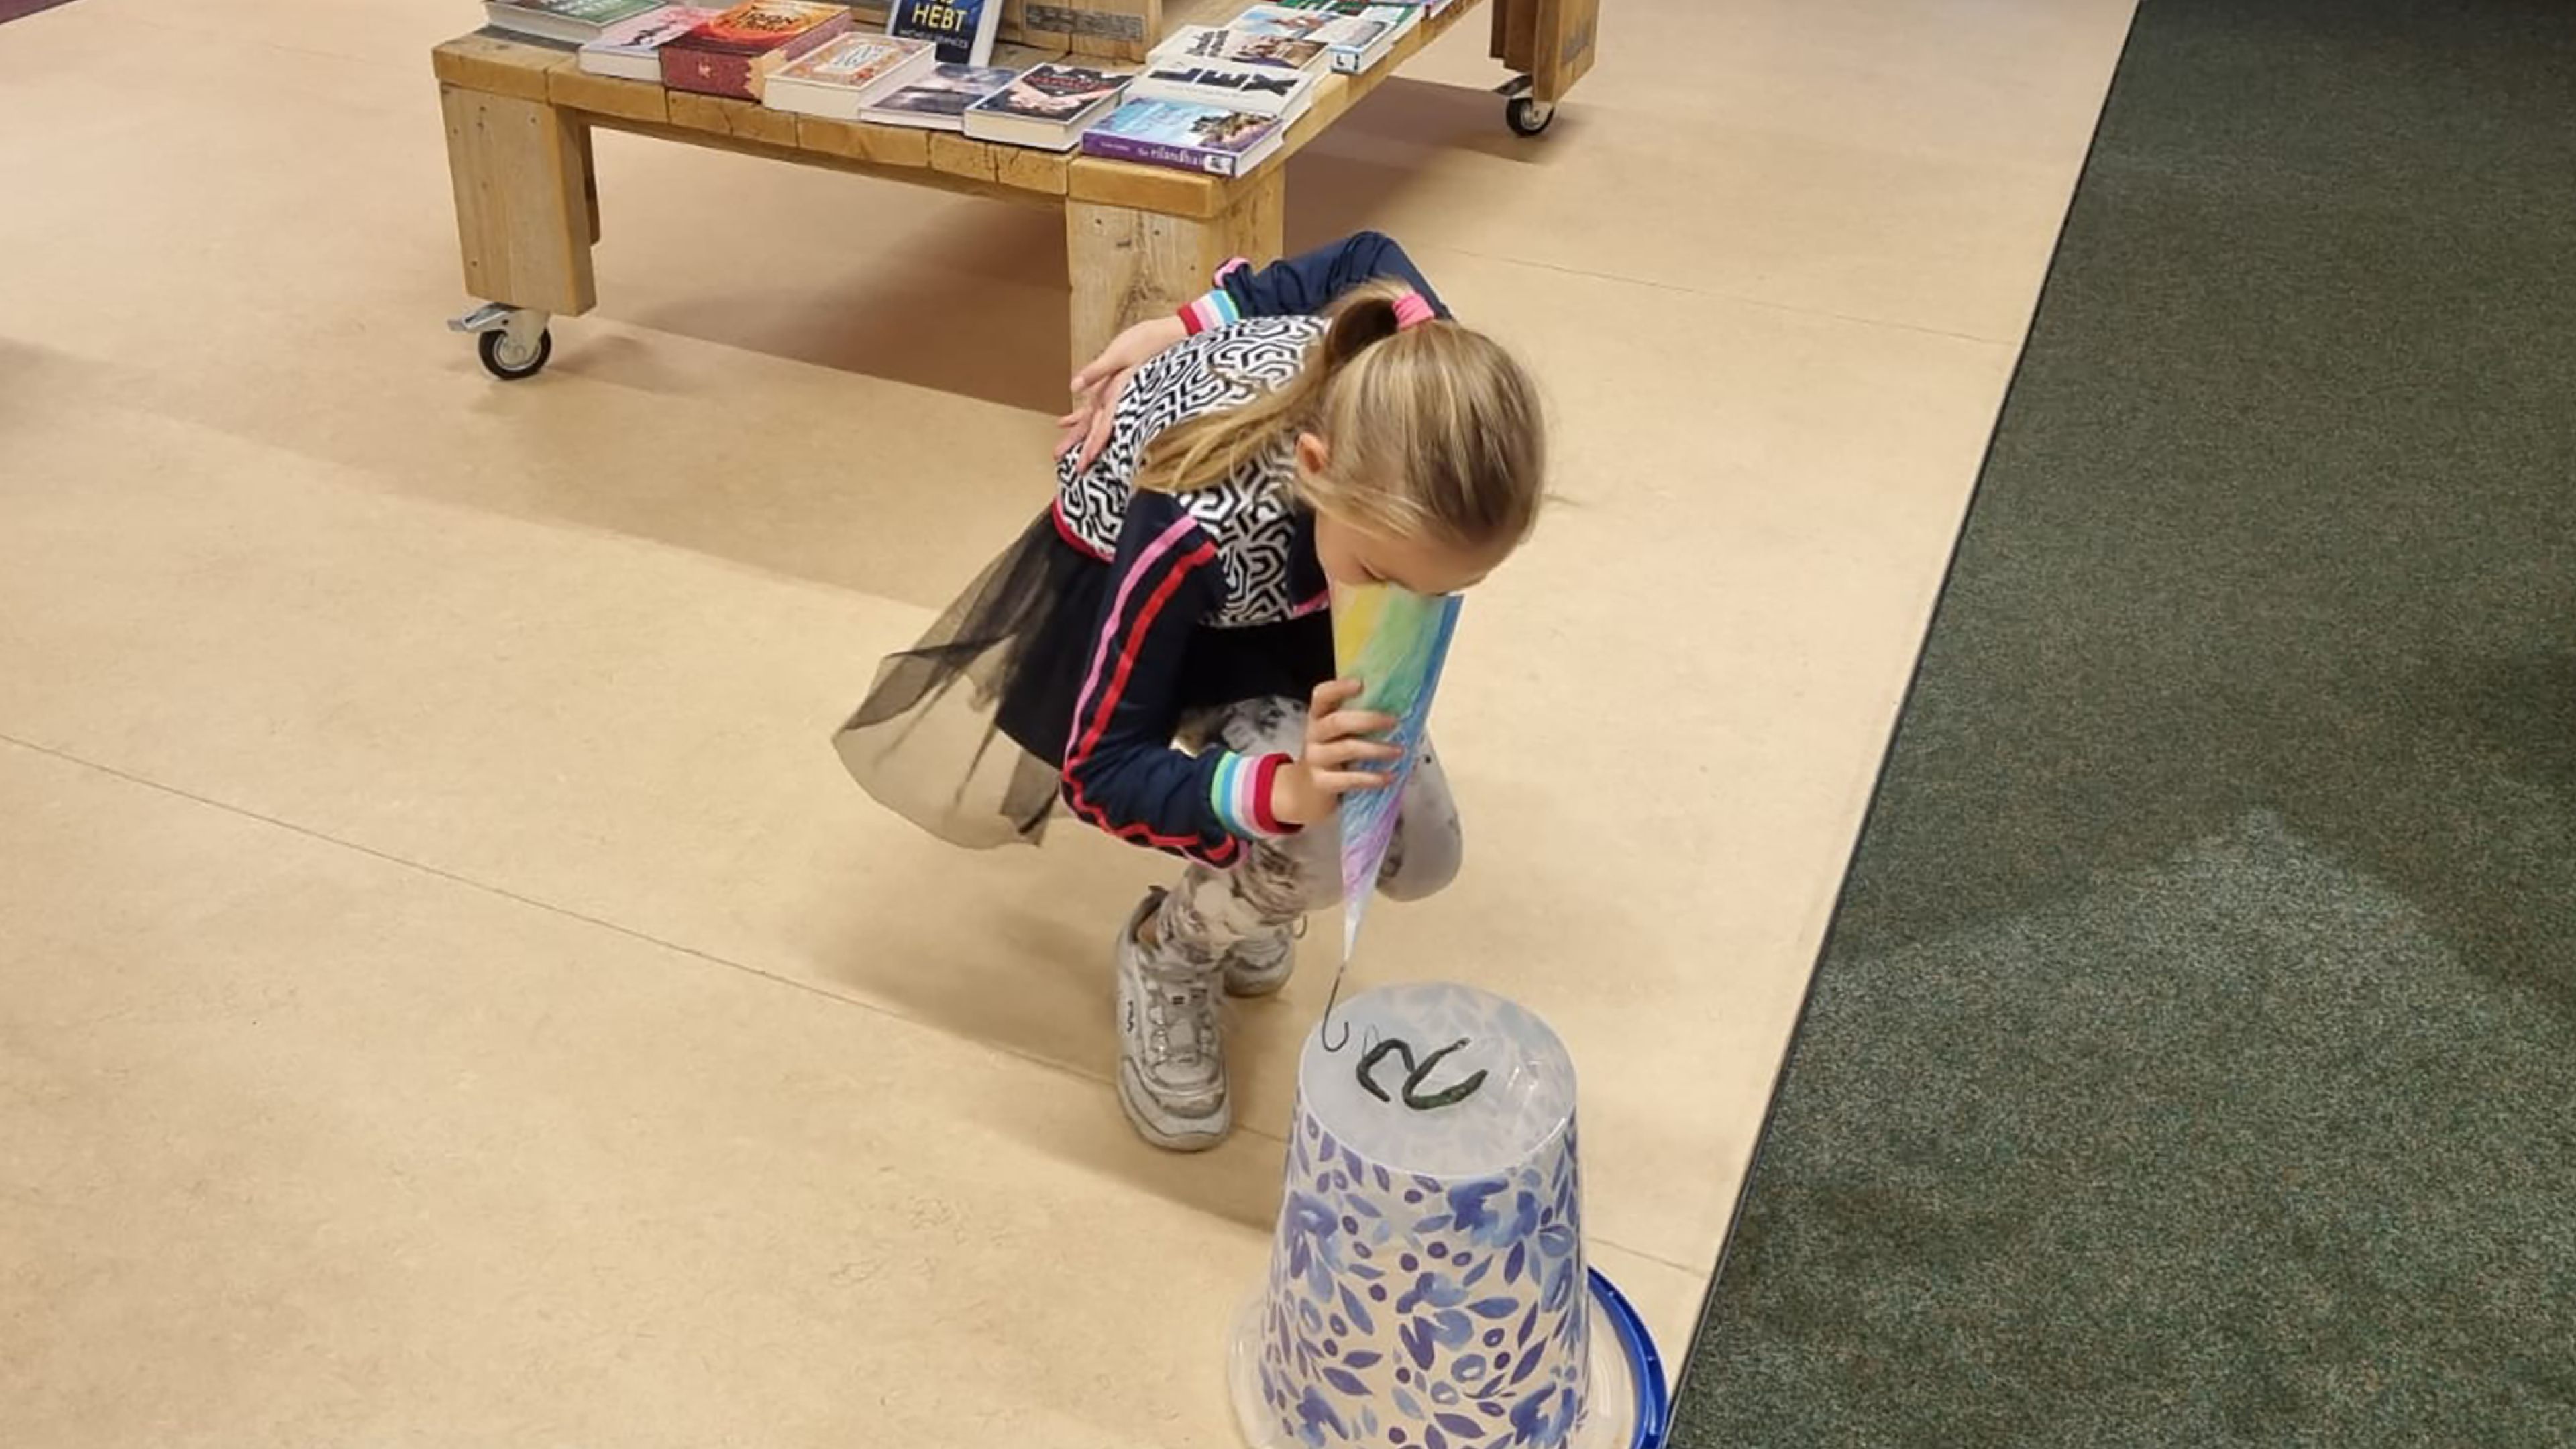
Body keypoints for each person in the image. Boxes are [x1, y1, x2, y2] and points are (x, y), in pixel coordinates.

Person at [835, 232, 1545, 1151]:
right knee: (1314, 849)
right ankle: (1168, 953)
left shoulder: (1422, 373)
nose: (1408, 614)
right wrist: (1278, 794)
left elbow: (1363, 257)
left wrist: (1189, 322)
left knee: (1424, 859)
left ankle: (1253, 880)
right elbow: (1100, 769)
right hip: (1188, 620)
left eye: (1440, 596)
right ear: (1319, 470)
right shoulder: (1190, 526)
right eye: (1387, 577)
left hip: (1297, 586)